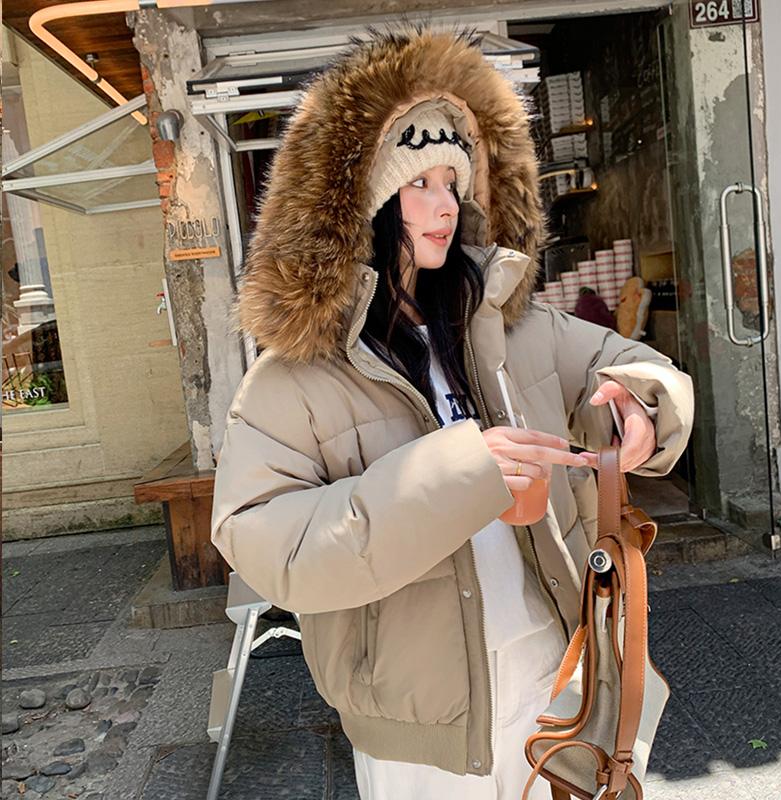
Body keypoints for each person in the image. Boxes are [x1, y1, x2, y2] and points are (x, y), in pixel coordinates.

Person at [210, 26, 694, 800]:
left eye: (453, 180)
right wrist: (460, 476)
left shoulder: (508, 321)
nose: (447, 204)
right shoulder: (290, 378)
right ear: (359, 204)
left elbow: (628, 364)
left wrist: (644, 401)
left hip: (557, 674)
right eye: (420, 184)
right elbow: (263, 543)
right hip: (419, 730)